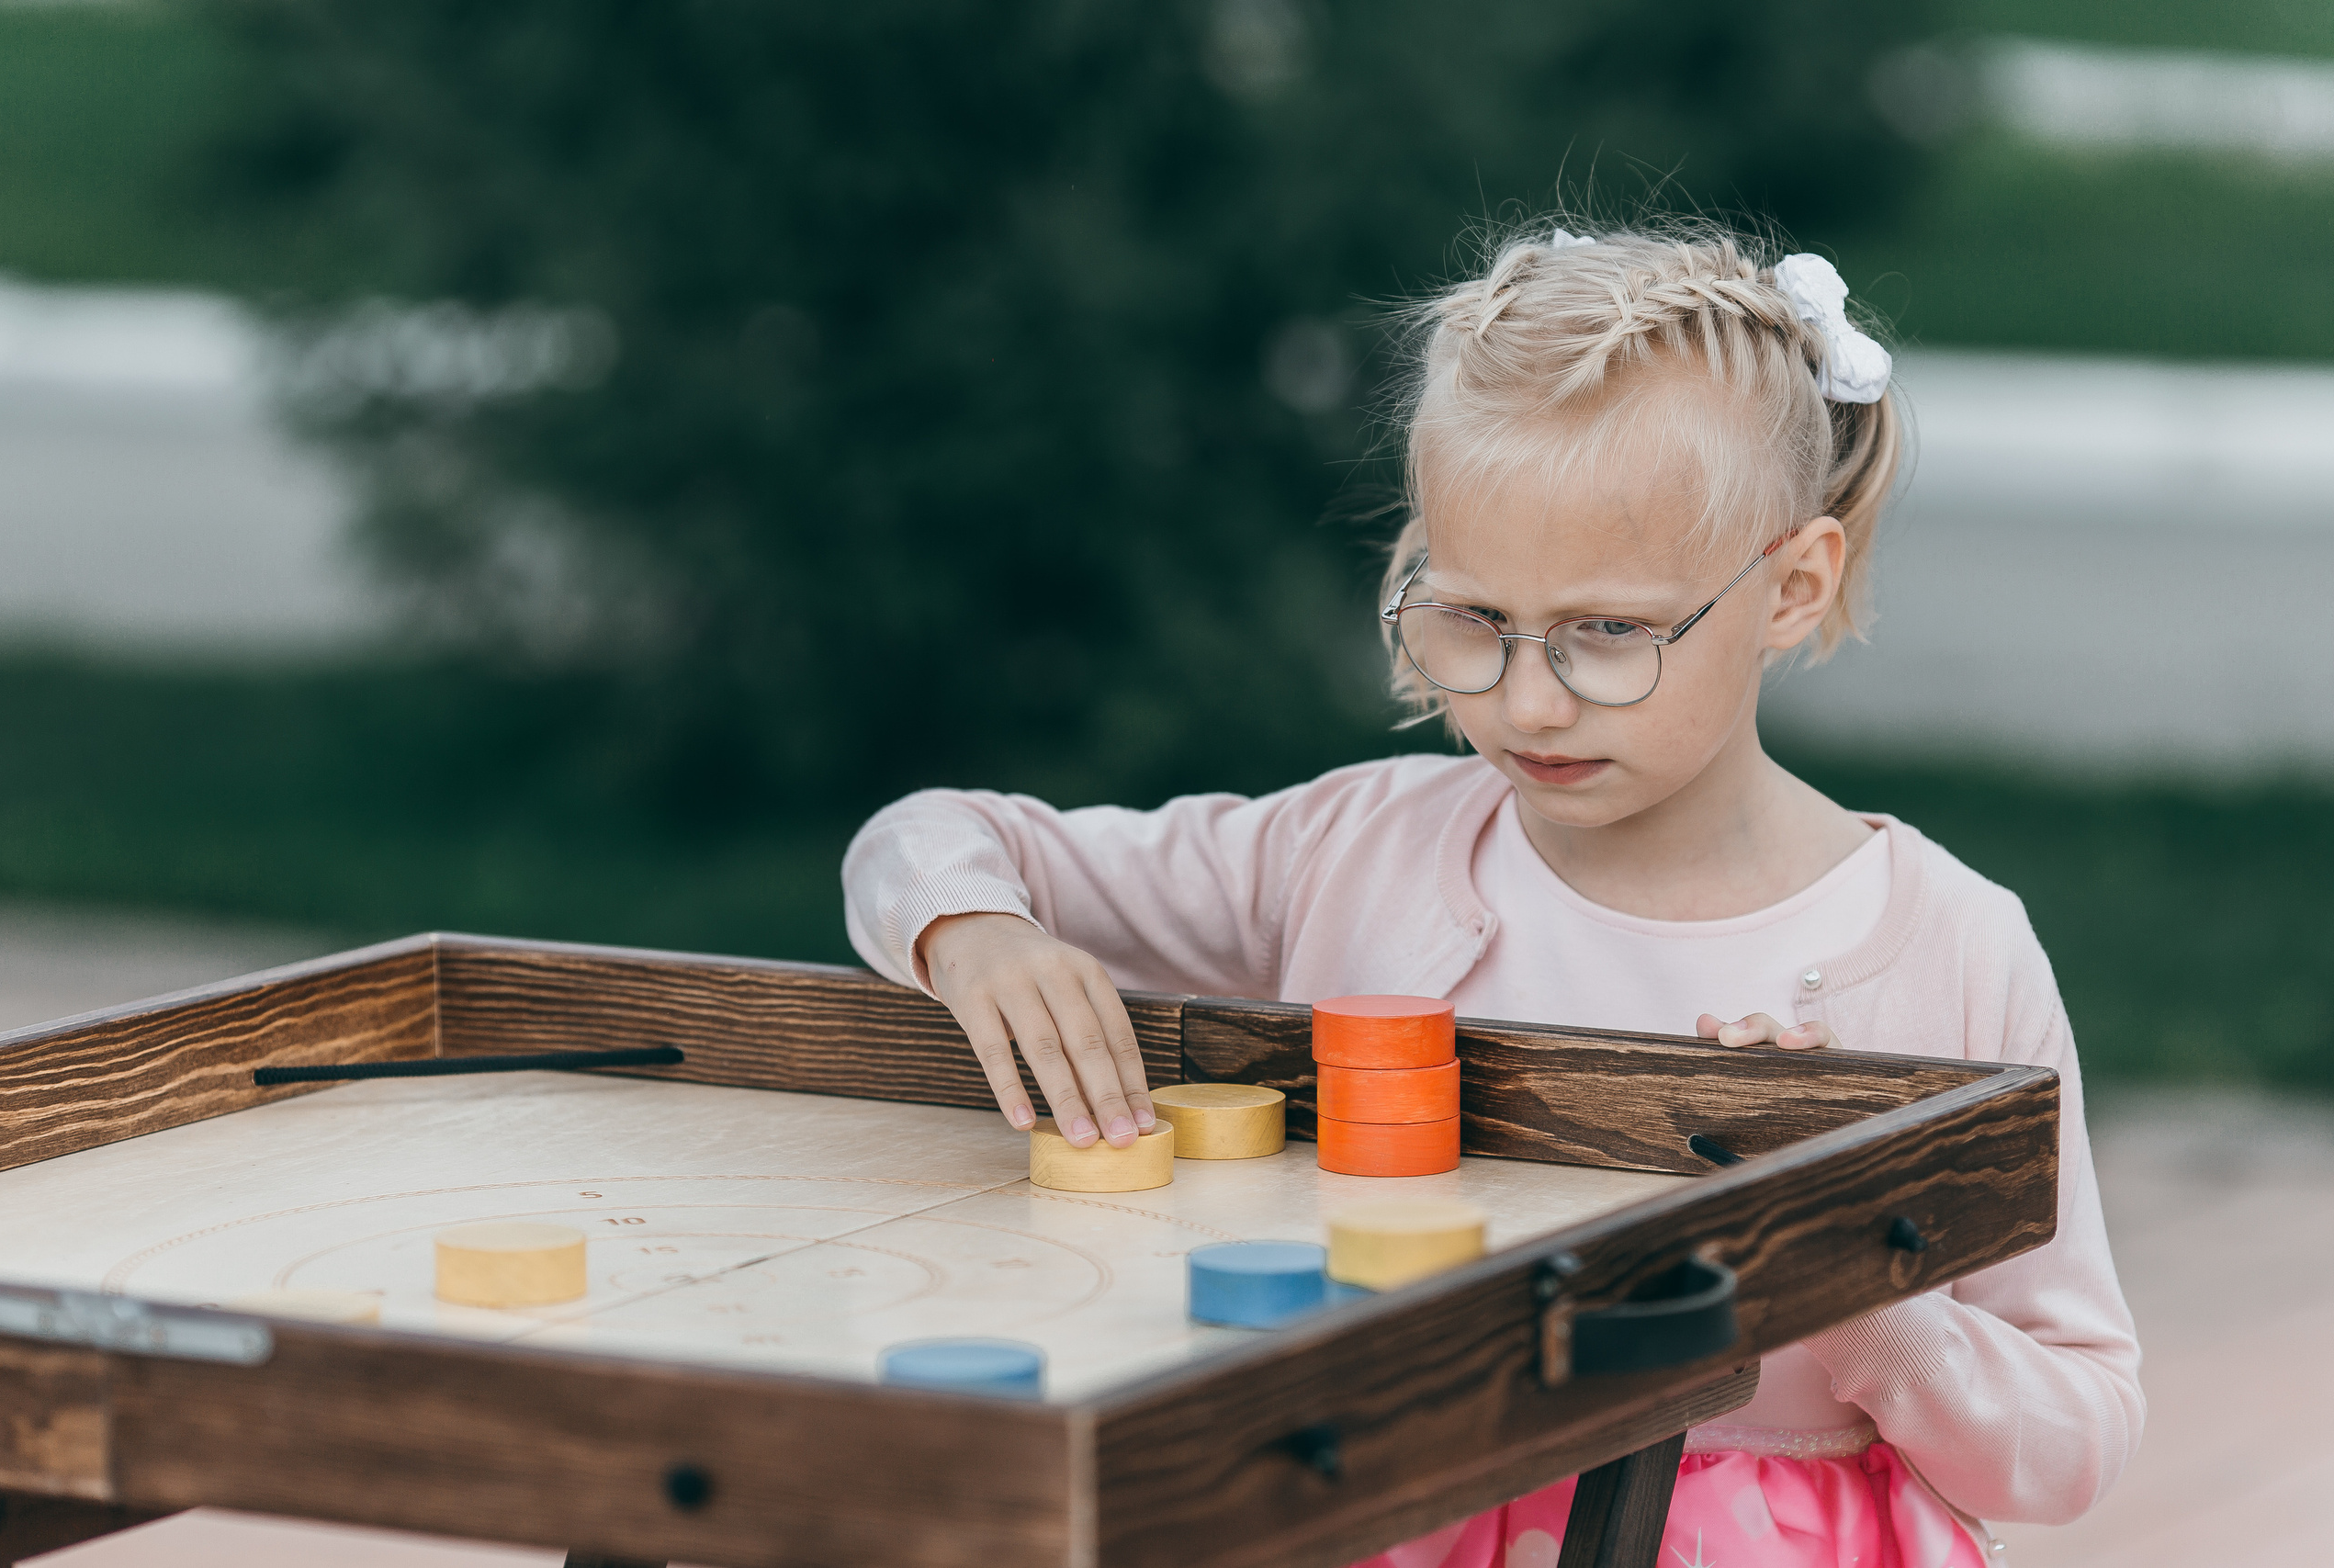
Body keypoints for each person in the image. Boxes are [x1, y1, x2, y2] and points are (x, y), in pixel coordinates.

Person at [842, 219, 2141, 1564]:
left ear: (1792, 587)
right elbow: (926, 836)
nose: (1527, 700)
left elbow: (2078, 1437)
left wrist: (1847, 1276)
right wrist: (971, 933)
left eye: (1608, 632)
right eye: (1470, 617)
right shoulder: (1351, 853)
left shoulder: (1947, 944)